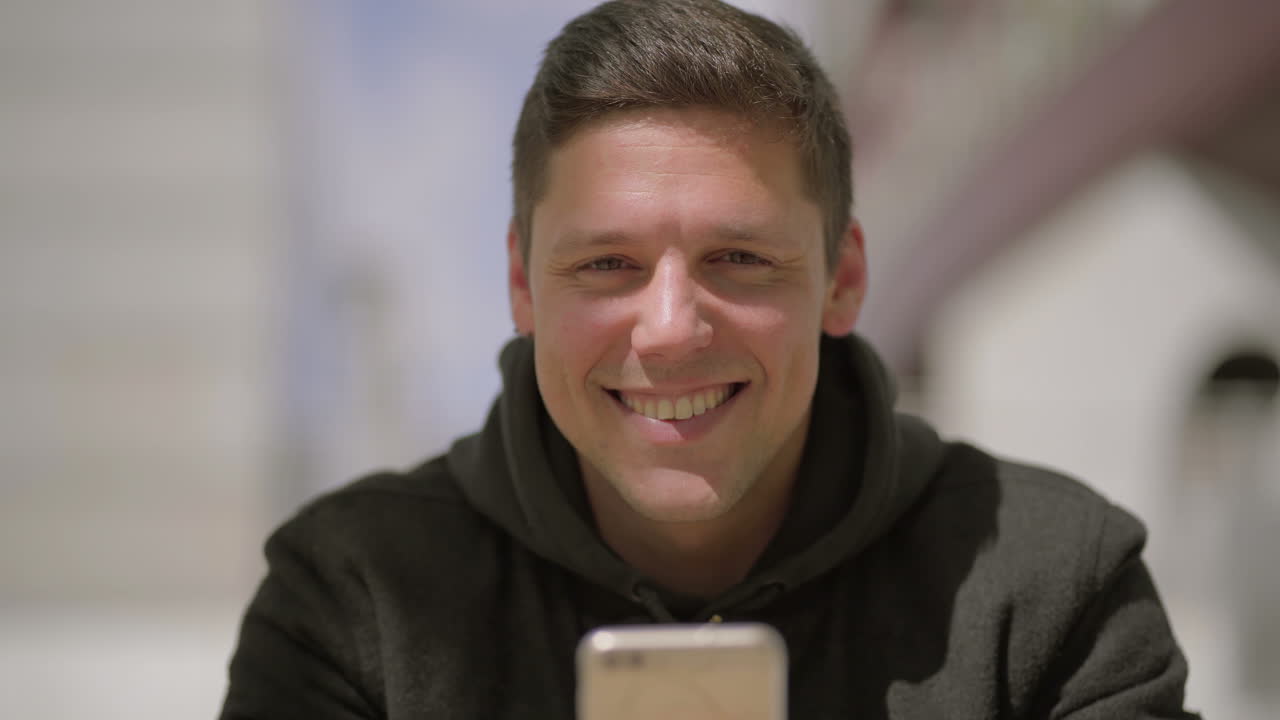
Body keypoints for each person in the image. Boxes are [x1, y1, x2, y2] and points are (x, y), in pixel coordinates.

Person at [220, 1, 1200, 717]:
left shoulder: (1057, 588)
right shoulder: (350, 601)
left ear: (842, 279)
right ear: (522, 285)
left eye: (738, 259)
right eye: (607, 264)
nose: (669, 328)